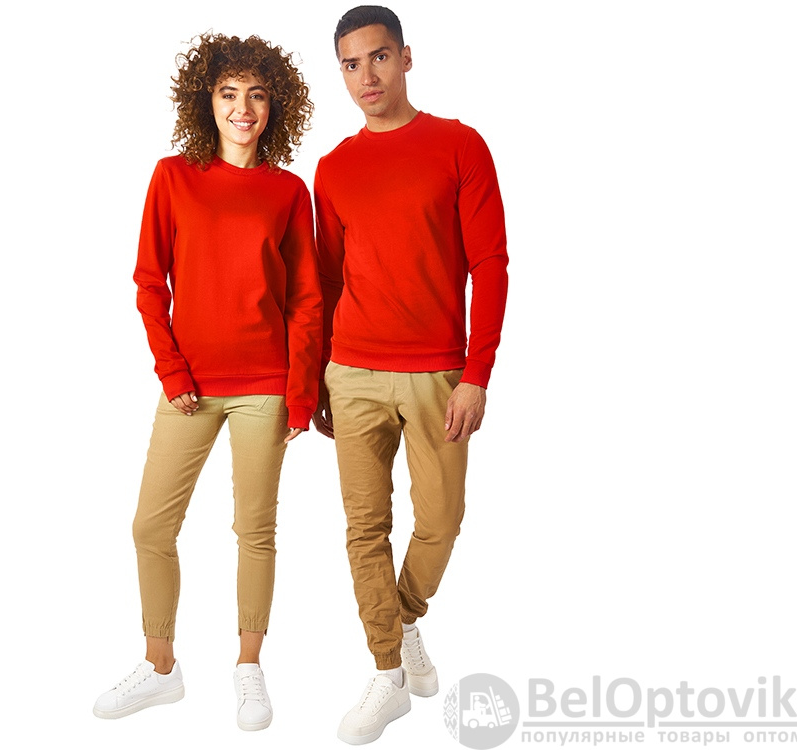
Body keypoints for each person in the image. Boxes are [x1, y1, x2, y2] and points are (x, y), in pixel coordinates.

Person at [92, 32, 322, 732]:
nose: (242, 108)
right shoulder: (173, 177)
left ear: (275, 106)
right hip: (188, 384)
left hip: (265, 385)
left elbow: (306, 301)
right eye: (228, 94)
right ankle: (161, 667)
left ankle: (249, 666)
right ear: (207, 101)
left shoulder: (288, 191)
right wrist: (172, 370)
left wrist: (301, 393)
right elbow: (148, 283)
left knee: (255, 529)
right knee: (150, 526)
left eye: (257, 95)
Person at [311, 6, 509, 744]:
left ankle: (404, 618)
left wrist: (477, 373)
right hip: (351, 370)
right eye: (351, 64)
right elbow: (325, 279)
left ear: (406, 58)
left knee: (441, 520)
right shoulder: (333, 168)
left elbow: (490, 264)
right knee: (365, 528)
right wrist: (316, 378)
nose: (366, 75)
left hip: (437, 374)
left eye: (379, 57)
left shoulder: (459, 145)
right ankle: (389, 672)